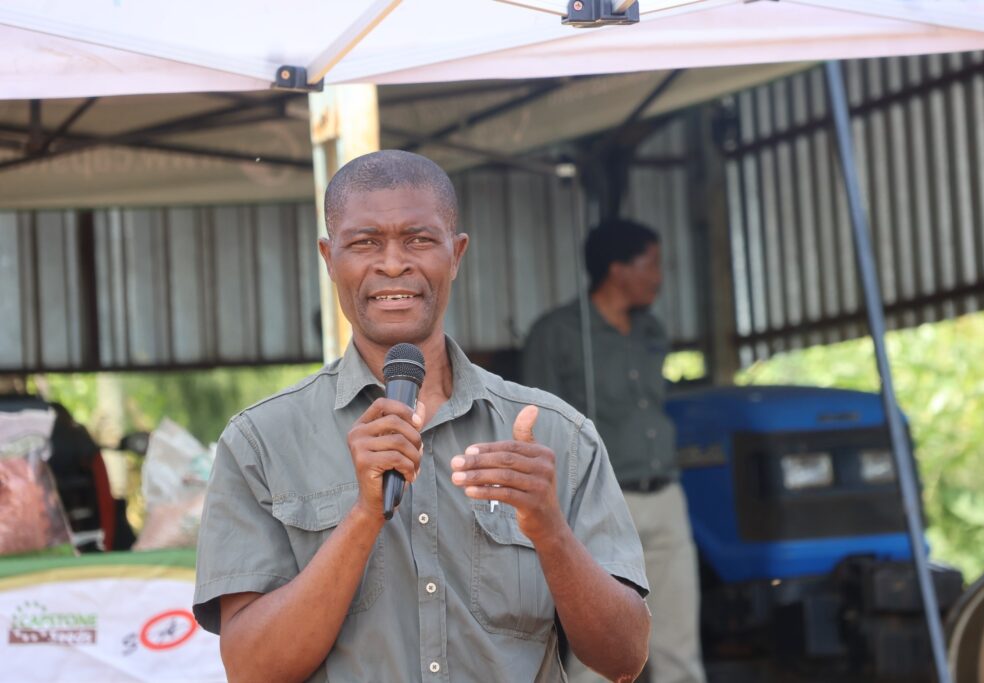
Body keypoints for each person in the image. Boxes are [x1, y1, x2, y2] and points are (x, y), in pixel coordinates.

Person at [192, 150, 651, 683]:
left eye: (419, 239)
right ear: (329, 257)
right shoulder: (261, 443)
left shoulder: (557, 436)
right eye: (365, 242)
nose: (392, 263)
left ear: (456, 254)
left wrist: (549, 529)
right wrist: (364, 516)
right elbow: (251, 669)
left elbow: (624, 658)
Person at [522, 220, 706, 683]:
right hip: (598, 502)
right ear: (618, 269)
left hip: (664, 495)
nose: (660, 276)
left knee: (679, 647)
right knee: (596, 655)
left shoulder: (651, 330)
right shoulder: (558, 332)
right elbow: (535, 422)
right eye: (653, 264)